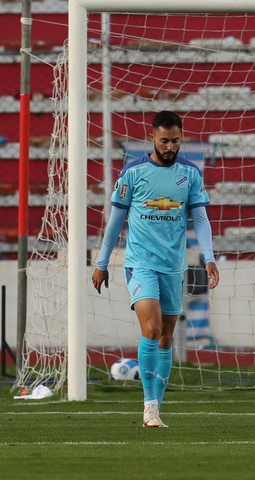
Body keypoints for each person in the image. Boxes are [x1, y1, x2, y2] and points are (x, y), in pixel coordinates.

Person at [92, 110, 219, 428]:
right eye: (164, 141)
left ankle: (156, 408)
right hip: (139, 264)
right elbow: (115, 222)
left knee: (166, 337)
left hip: (174, 267)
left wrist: (210, 257)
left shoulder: (189, 174)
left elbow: (200, 219)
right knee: (151, 329)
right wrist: (102, 263)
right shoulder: (133, 173)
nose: (170, 147)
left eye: (176, 140)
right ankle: (148, 407)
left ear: (181, 137)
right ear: (152, 137)